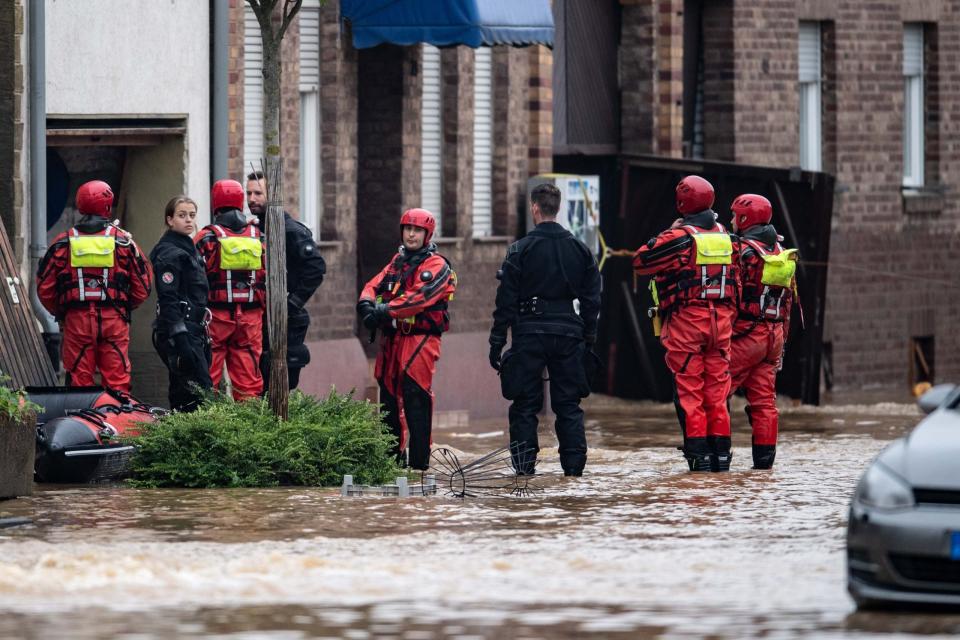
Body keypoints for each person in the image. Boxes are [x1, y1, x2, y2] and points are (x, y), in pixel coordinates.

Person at [488, 183, 602, 477]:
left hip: (529, 333)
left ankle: (524, 473)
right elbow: (592, 300)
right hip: (569, 333)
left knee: (525, 405)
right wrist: (589, 337)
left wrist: (497, 340)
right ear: (558, 208)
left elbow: (506, 301)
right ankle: (574, 474)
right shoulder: (581, 250)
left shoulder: (520, 250)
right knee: (568, 405)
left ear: (535, 208)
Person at [633, 175, 740, 472]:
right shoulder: (729, 238)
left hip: (688, 324)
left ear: (682, 203)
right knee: (718, 394)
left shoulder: (679, 237)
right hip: (722, 324)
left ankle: (699, 461)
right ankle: (722, 459)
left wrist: (669, 230)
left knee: (690, 392)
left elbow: (641, 262)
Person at [357, 209, 456, 470]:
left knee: (416, 397)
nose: (411, 234)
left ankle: (420, 464)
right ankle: (392, 463)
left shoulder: (437, 266)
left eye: (417, 230)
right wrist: (366, 304)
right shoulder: (396, 262)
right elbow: (373, 285)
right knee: (388, 399)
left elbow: (418, 298)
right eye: (408, 229)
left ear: (427, 235)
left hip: (420, 340)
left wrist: (382, 311)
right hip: (393, 339)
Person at [37, 180, 152, 392]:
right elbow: (143, 287)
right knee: (117, 383)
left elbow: (44, 288)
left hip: (76, 320)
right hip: (113, 319)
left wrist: (64, 312)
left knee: (79, 384)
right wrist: (122, 306)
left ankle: (82, 422)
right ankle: (116, 421)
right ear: (107, 205)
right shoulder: (124, 243)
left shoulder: (62, 243)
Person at [728, 194, 797, 469]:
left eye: (734, 215)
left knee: (716, 392)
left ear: (745, 219)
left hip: (747, 336)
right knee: (765, 404)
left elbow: (732, 298)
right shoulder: (779, 252)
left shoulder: (743, 252)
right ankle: (764, 469)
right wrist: (782, 345)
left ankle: (716, 462)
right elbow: (789, 302)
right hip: (774, 337)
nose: (731, 220)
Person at [246, 171, 326, 391]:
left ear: (272, 195)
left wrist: (293, 303)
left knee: (280, 383)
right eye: (248, 193)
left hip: (288, 319)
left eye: (258, 193)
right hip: (261, 315)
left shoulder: (290, 230)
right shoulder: (254, 230)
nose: (251, 198)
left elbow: (316, 268)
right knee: (260, 379)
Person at [195, 179, 266, 400]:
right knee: (249, 384)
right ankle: (250, 429)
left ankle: (211, 427)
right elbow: (268, 276)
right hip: (250, 318)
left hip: (215, 317)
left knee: (209, 379)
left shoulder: (206, 237)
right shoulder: (259, 236)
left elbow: (194, 278)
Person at [149, 196, 213, 412]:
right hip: (180, 331)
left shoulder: (189, 250)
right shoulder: (170, 253)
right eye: (182, 215)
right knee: (198, 392)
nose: (188, 220)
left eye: (192, 216)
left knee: (185, 390)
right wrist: (180, 337)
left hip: (194, 329)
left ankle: (182, 438)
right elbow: (168, 298)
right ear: (170, 219)